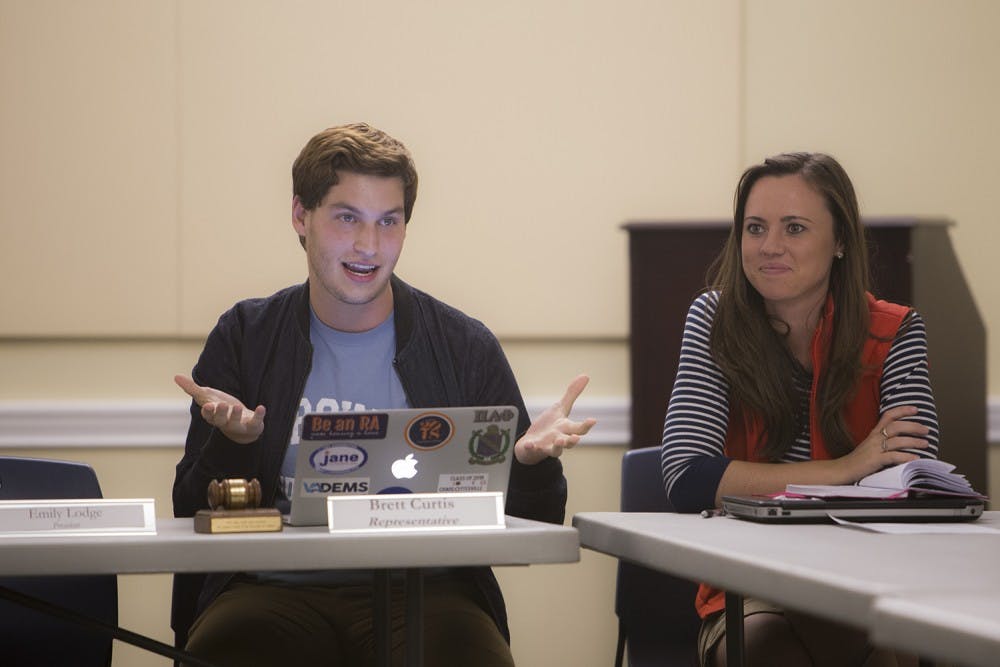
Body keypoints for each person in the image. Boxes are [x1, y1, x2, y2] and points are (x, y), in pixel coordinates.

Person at [172, 122, 596, 666]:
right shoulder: (246, 336)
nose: (369, 246)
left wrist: (530, 465)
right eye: (347, 218)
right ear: (302, 216)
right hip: (269, 590)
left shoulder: (463, 346)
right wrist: (232, 445)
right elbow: (188, 509)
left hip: (428, 592)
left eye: (388, 222)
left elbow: (535, 525)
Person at [660, 152, 938, 667]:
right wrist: (845, 469)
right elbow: (690, 476)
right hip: (748, 585)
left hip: (864, 577)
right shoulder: (712, 320)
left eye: (794, 228)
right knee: (769, 651)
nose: (770, 247)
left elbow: (911, 485)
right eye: (755, 228)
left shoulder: (896, 330)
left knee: (891, 652)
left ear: (838, 243)